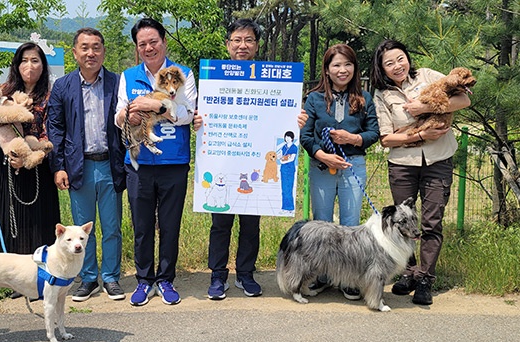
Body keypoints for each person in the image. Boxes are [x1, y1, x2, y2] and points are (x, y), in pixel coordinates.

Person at [193, 19, 308, 300]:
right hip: (222, 161)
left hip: (254, 163)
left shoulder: (273, 78)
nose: (242, 45)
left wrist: (297, 119)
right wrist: (197, 121)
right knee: (220, 223)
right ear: (227, 44)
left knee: (250, 223)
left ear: (257, 46)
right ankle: (218, 275)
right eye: (236, 40)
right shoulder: (214, 77)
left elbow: (281, 119)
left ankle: (245, 273)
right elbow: (198, 113)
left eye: (248, 40)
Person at [371, 39, 470, 305]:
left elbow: (463, 99)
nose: (397, 66)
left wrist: (424, 108)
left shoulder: (428, 76)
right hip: (402, 165)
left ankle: (426, 278)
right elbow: (386, 139)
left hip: (438, 161)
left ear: (408, 58)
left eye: (400, 59)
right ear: (382, 68)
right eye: (389, 63)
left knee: (432, 222)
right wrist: (420, 134)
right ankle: (409, 273)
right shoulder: (382, 94)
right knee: (404, 222)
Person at [114, 18, 196, 306]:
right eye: (142, 44)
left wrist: (158, 106)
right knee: (142, 225)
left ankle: (166, 279)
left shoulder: (183, 74)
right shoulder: (128, 76)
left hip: (174, 162)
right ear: (137, 48)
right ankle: (144, 280)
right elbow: (118, 115)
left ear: (164, 42)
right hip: (139, 164)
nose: (149, 48)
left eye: (154, 42)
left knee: (170, 225)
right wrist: (129, 116)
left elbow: (189, 113)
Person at [0, 42, 61, 299]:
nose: (29, 66)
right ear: (16, 64)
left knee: (40, 223)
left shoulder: (51, 95)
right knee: (14, 223)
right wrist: (11, 115)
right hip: (8, 167)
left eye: (35, 60)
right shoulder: (2, 91)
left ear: (43, 65)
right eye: (24, 60)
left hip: (39, 166)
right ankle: (14, 283)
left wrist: (34, 154)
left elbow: (51, 131)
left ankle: (42, 280)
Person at [47, 28, 127, 302]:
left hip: (110, 164)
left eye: (96, 47)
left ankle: (111, 277)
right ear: (75, 53)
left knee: (111, 226)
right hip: (78, 167)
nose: (90, 53)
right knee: (81, 230)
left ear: (103, 51)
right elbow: (55, 128)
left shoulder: (118, 83)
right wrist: (58, 166)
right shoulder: (63, 86)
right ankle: (89, 277)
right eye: (84, 47)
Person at [300, 43, 380, 300]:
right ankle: (322, 274)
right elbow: (305, 135)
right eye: (336, 65)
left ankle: (349, 278)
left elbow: (374, 133)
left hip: (352, 166)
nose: (342, 70)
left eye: (348, 64)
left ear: (354, 68)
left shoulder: (365, 98)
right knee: (321, 223)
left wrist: (353, 139)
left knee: (350, 224)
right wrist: (321, 154)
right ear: (327, 69)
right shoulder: (313, 98)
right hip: (322, 167)